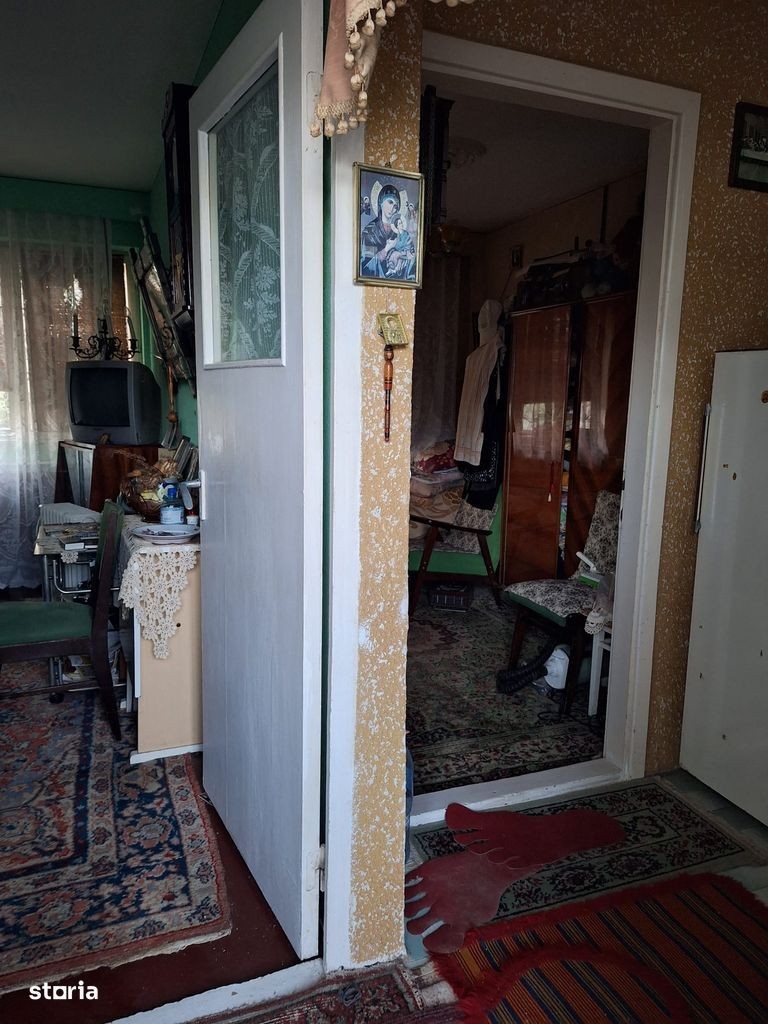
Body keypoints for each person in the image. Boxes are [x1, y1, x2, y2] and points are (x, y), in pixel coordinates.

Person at [360, 184, 415, 280]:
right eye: (390, 202)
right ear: (381, 203)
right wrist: (386, 249)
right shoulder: (369, 232)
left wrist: (400, 254)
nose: (392, 208)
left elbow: (413, 259)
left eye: (395, 205)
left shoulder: (402, 233)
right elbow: (365, 267)